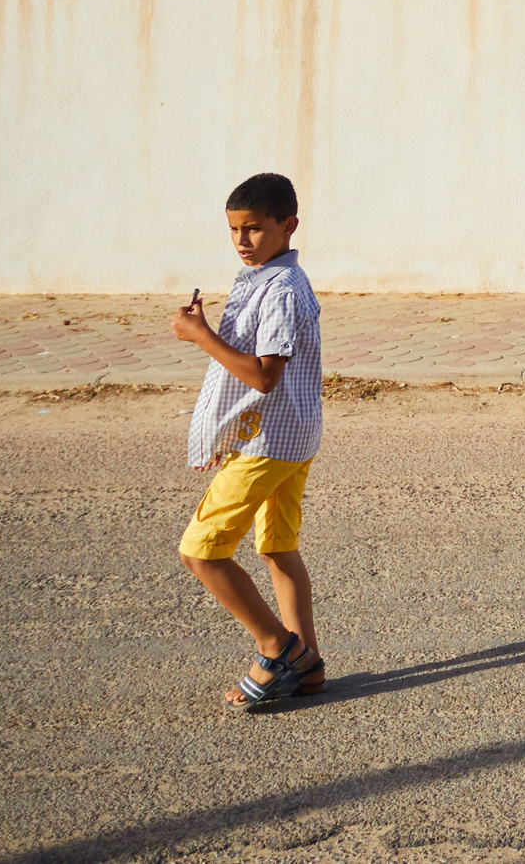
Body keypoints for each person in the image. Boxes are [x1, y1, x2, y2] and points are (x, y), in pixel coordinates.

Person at [172, 172, 326, 708]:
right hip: (290, 432)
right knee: (278, 546)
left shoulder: (281, 289)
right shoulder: (262, 278)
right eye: (235, 229)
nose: (243, 241)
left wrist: (201, 337)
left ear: (289, 227)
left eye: (256, 229)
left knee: (201, 552)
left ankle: (277, 649)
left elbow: (263, 377)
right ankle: (308, 665)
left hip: (270, 440)